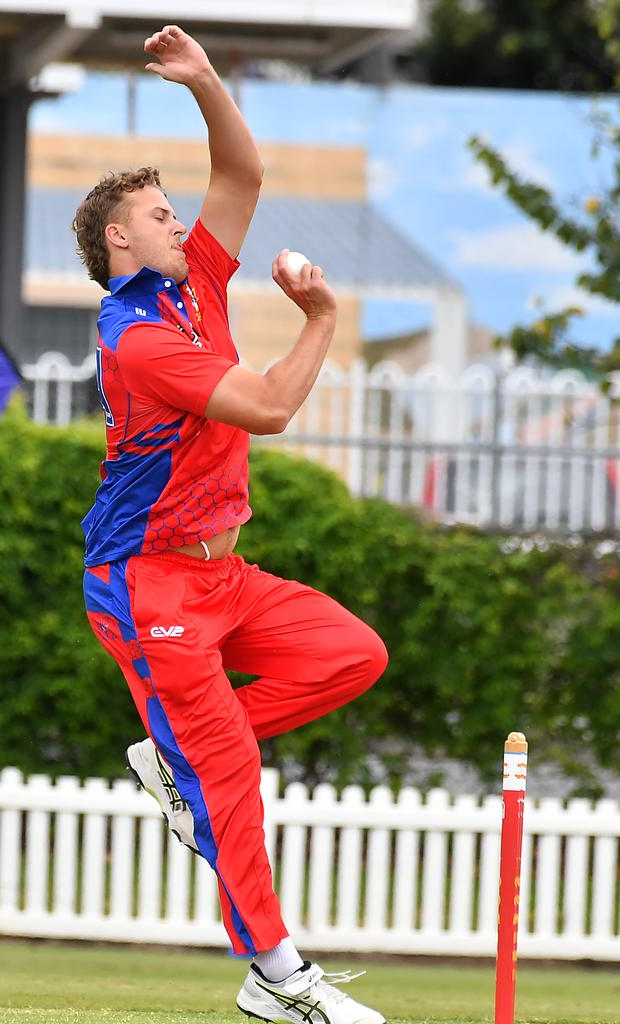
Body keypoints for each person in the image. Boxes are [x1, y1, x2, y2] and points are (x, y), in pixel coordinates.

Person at [72, 25, 389, 1024]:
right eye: (160, 215)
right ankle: (279, 976)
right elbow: (267, 407)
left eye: (175, 212)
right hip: (147, 585)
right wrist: (322, 320)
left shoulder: (195, 279)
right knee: (234, 779)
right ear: (119, 239)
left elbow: (242, 170)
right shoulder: (139, 334)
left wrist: (206, 80)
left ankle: (179, 758)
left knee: (352, 654)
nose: (180, 221)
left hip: (223, 573)